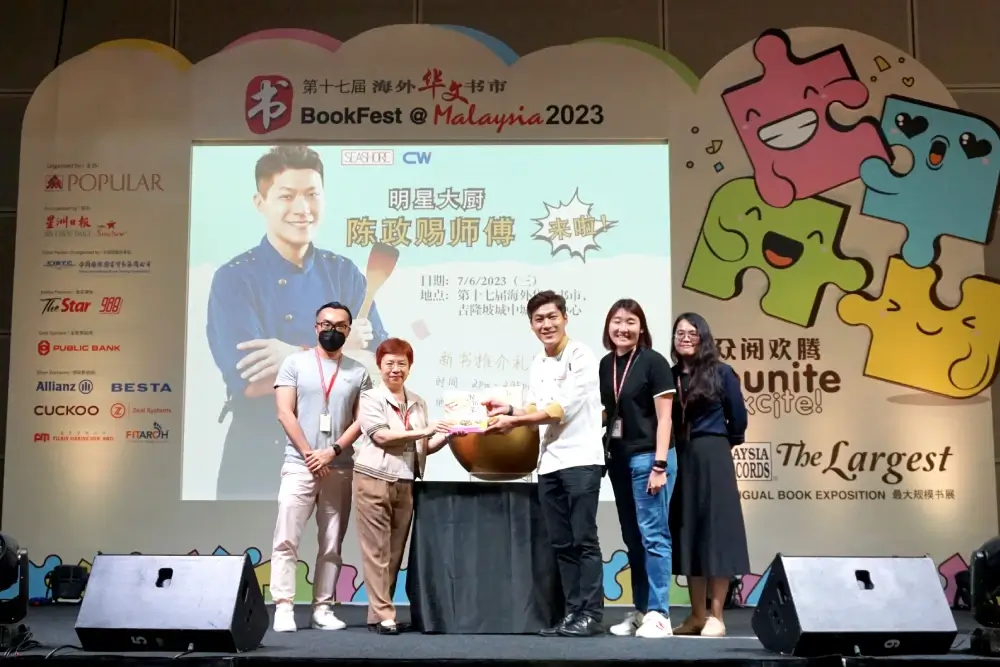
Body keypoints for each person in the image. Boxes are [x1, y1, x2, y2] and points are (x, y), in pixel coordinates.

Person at [206, 145, 390, 500]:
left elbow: (380, 370)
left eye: (312, 194)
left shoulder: (344, 273)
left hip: (338, 451)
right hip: (259, 455)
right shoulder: (235, 278)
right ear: (260, 202)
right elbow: (254, 382)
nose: (302, 208)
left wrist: (290, 356)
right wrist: (341, 349)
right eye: (287, 196)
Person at [483, 290, 606, 637]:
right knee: (562, 544)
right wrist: (510, 409)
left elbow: (560, 408)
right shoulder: (537, 363)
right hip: (549, 463)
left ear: (565, 318)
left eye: (552, 317)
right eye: (539, 319)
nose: (546, 324)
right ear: (531, 325)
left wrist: (516, 421)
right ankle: (573, 613)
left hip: (581, 460)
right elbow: (537, 408)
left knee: (583, 539)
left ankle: (591, 614)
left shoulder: (581, 355)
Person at [269, 302, 372, 633]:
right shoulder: (294, 363)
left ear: (348, 330)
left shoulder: (359, 372)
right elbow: (284, 412)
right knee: (286, 538)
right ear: (316, 327)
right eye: (326, 324)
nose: (332, 330)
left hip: (338, 466)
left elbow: (362, 420)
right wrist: (309, 453)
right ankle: (283, 605)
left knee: (331, 543)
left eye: (340, 326)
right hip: (299, 464)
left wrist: (332, 451)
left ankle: (323, 607)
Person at [355, 338, 454, 635]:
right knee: (377, 550)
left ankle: (377, 615)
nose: (395, 369)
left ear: (410, 367)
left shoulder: (418, 402)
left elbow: (422, 446)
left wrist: (449, 435)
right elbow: (382, 437)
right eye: (389, 363)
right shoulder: (370, 398)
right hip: (373, 478)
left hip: (406, 481)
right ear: (379, 366)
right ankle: (385, 615)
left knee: (394, 552)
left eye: (402, 363)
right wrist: (424, 431)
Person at [599, 299, 677, 639]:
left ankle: (661, 614)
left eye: (630, 322)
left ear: (641, 327)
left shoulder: (654, 362)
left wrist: (660, 464)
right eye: (617, 321)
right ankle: (642, 611)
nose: (623, 328)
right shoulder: (606, 364)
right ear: (608, 326)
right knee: (633, 538)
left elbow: (665, 418)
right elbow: (609, 411)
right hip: (618, 458)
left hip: (649, 458)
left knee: (653, 536)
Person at [669, 312, 750, 638]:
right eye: (680, 333)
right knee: (690, 531)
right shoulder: (670, 376)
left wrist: (721, 441)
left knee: (716, 532)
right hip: (682, 456)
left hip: (714, 452)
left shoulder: (721, 372)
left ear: (703, 337)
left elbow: (738, 418)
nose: (685, 338)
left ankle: (717, 615)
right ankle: (697, 615)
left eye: (692, 332)